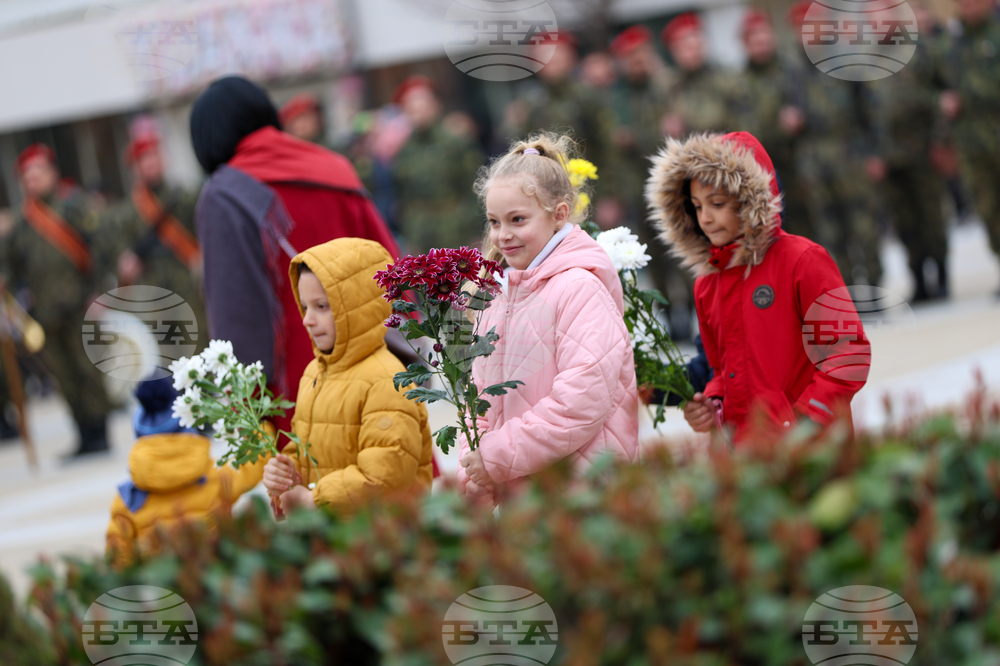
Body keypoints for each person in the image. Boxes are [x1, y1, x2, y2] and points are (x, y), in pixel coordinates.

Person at [189, 76, 402, 437]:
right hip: (376, 365)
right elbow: (393, 270)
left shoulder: (224, 195)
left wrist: (249, 404)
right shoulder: (335, 168)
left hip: (301, 387)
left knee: (325, 488)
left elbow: (237, 316)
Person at [646, 131, 870, 443]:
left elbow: (847, 353)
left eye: (718, 203)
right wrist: (712, 406)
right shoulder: (707, 285)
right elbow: (720, 371)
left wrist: (807, 419)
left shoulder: (802, 260)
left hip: (813, 449)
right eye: (697, 207)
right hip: (745, 458)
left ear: (751, 199)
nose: (706, 219)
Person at [457, 133, 640, 506]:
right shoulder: (496, 294)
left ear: (558, 215)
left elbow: (579, 403)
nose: (503, 235)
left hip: (581, 495)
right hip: (519, 494)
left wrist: (493, 459)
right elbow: (476, 398)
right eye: (494, 221)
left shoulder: (580, 288)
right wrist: (471, 469)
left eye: (517, 219)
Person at [260, 238, 434, 514]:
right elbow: (307, 455)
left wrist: (315, 501)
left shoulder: (388, 380)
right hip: (329, 541)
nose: (307, 319)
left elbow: (384, 478)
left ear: (358, 307)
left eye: (322, 306)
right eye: (305, 307)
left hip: (379, 544)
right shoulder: (315, 372)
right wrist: (283, 478)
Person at [0, 144, 112, 456]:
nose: (32, 180)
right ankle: (82, 433)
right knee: (63, 373)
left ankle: (99, 431)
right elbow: (9, 262)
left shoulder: (74, 207)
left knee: (88, 369)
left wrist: (100, 291)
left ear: (52, 173)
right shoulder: (23, 225)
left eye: (37, 172)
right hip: (47, 311)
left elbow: (100, 249)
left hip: (80, 305)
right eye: (26, 175)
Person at [105, 377, 266, 568]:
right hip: (214, 577)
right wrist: (263, 427)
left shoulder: (127, 500)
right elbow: (253, 463)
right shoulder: (217, 475)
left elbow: (117, 557)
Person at [784, 0, 883, 286]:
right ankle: (845, 286)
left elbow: (869, 110)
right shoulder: (795, 71)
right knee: (829, 228)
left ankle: (874, 280)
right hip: (814, 158)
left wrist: (874, 153)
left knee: (863, 223)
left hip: (850, 151)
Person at [866, 0, 950, 301]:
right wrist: (871, 153)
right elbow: (864, 112)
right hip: (888, 158)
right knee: (903, 222)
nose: (878, 21)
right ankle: (918, 279)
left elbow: (943, 95)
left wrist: (941, 140)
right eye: (872, 16)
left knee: (931, 215)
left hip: (922, 150)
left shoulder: (919, 48)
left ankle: (941, 274)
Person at [104, 131, 208, 346]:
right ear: (135, 168)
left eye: (154, 156)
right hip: (154, 293)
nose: (151, 164)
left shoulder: (185, 197)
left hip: (188, 285)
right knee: (168, 355)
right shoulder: (129, 211)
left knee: (200, 345)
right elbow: (117, 246)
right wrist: (125, 259)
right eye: (144, 160)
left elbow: (203, 233)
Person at [735, 9, 812, 240]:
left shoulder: (793, 70)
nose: (761, 43)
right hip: (765, 171)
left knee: (812, 229)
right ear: (746, 44)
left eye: (764, 37)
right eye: (754, 39)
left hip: (803, 164)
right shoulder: (739, 83)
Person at [938, 0, 1000, 269]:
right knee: (987, 207)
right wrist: (940, 101)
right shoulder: (951, 42)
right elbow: (930, 84)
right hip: (972, 142)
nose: (969, 6)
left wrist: (969, 95)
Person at [391, 75, 485, 253]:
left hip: (457, 229)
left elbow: (474, 186)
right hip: (422, 233)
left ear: (435, 105)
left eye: (423, 104)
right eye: (411, 107)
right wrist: (411, 234)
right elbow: (404, 198)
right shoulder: (405, 151)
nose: (418, 111)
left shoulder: (455, 141)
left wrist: (477, 231)